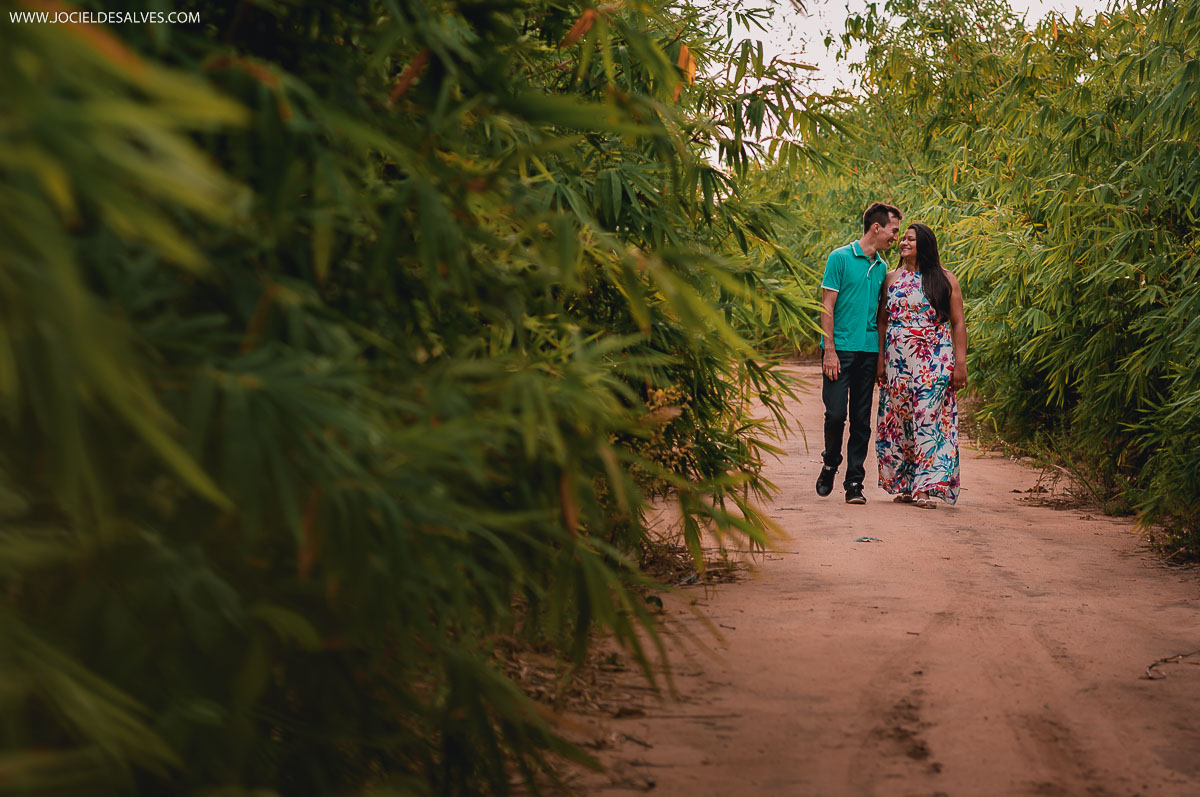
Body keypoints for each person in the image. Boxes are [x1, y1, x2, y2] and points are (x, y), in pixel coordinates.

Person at [874, 222, 968, 508]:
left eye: (910, 239)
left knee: (927, 419)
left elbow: (958, 322)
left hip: (934, 360)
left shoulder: (945, 278)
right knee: (900, 421)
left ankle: (924, 488)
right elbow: (882, 321)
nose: (903, 243)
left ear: (924, 245)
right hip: (897, 360)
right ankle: (904, 484)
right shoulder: (891, 278)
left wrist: (960, 364)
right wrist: (880, 360)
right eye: (902, 238)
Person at [815, 202, 902, 504]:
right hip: (839, 350)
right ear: (876, 227)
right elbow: (827, 307)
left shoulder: (881, 269)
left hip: (867, 352)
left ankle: (854, 483)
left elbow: (881, 317)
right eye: (894, 231)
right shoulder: (839, 258)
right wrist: (829, 351)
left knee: (862, 420)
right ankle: (830, 463)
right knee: (836, 414)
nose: (896, 238)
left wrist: (880, 358)